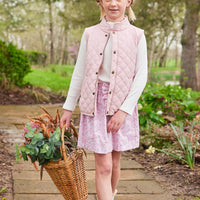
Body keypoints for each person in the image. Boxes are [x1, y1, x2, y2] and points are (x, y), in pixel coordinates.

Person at [60, 0, 148, 199]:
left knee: (115, 163)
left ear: (129, 1)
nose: (113, 3)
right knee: (105, 165)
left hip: (122, 105)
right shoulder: (90, 33)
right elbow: (79, 71)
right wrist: (68, 107)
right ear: (100, 2)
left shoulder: (137, 35)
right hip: (96, 105)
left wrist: (124, 111)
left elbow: (141, 76)